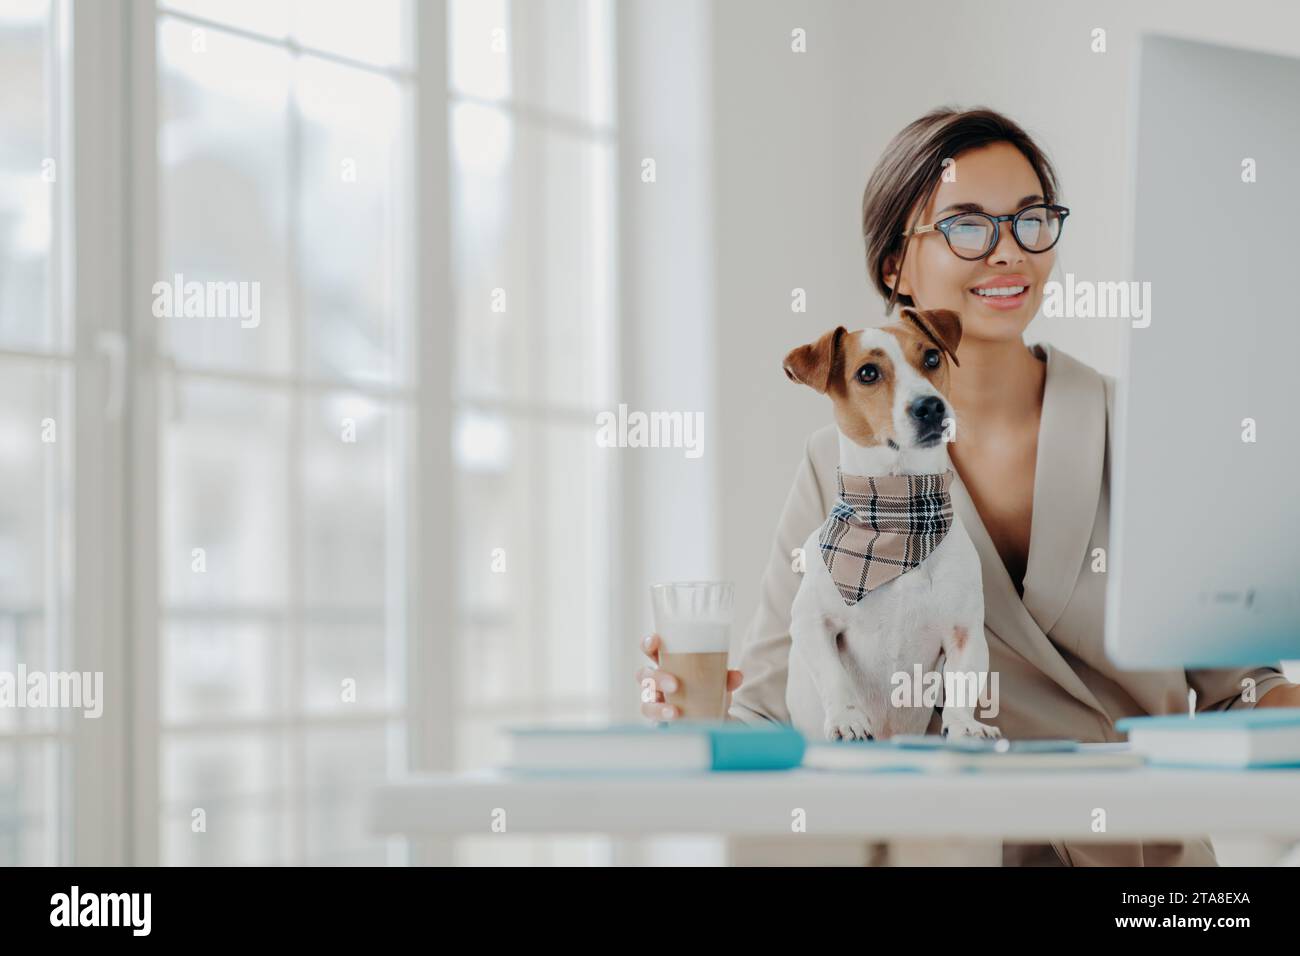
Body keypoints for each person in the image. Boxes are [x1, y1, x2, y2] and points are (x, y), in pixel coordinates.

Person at [635, 106, 1300, 866]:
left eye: (1030, 221)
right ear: (895, 266)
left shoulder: (1147, 432)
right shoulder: (835, 466)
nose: (1009, 252)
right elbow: (771, 716)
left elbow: (1237, 694)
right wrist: (689, 716)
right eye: (967, 225)